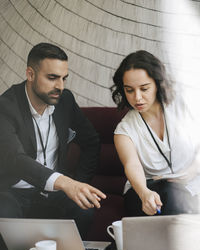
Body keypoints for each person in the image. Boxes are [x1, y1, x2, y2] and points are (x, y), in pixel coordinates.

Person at [0, 42, 106, 238]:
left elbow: (91, 141)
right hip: (13, 192)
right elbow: (16, 159)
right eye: (52, 78)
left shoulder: (65, 100)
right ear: (30, 74)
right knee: (3, 212)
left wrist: (78, 184)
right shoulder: (6, 107)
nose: (60, 86)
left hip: (55, 193)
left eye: (64, 78)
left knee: (83, 209)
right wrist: (65, 182)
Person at [111, 50, 200, 217]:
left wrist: (192, 170)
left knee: (177, 197)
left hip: (189, 185)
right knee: (169, 198)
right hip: (146, 189)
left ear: (158, 84)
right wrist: (144, 192)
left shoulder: (184, 108)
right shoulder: (124, 130)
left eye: (144, 88)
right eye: (129, 90)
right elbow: (132, 165)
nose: (137, 98)